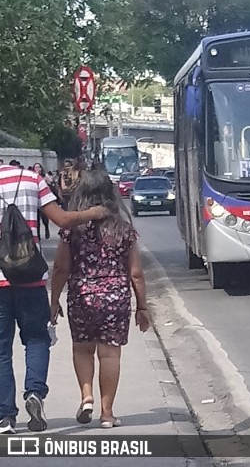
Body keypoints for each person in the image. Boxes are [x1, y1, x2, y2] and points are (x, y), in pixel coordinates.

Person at [0, 162, 107, 434]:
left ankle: (5, 418)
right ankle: (34, 393)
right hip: (30, 278)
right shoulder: (31, 178)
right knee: (36, 339)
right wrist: (93, 213)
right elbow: (62, 220)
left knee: (1, 351)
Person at [50, 170, 150, 429]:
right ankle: (107, 413)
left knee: (82, 349)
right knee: (110, 356)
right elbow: (136, 273)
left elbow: (61, 268)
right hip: (115, 299)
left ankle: (86, 396)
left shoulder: (72, 231)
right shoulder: (123, 230)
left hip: (81, 296)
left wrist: (53, 300)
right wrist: (142, 307)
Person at [32, 164, 50, 240]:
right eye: (36, 167)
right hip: (35, 199)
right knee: (37, 219)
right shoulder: (31, 177)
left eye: (39, 167)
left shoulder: (45, 177)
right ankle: (38, 235)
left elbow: (49, 186)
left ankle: (46, 228)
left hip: (43, 199)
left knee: (44, 217)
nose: (37, 169)